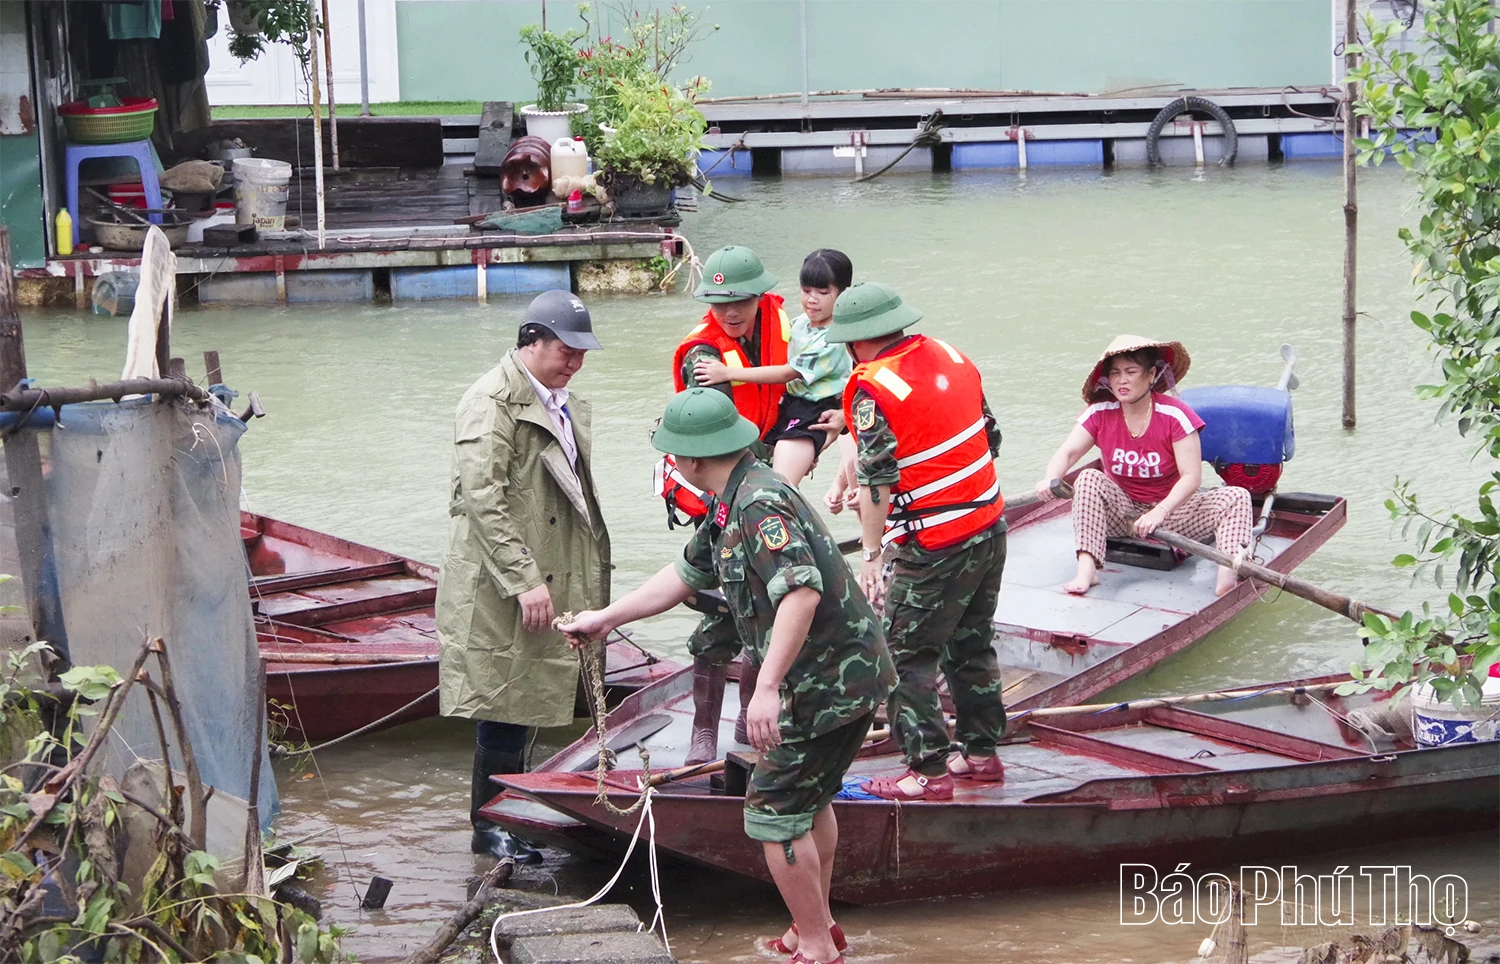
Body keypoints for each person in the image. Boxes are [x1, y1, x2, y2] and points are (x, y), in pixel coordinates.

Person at [559, 389, 895, 964]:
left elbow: (801, 592)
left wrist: (764, 689)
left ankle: (816, 946)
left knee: (772, 812)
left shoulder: (758, 505)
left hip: (828, 683)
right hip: (838, 679)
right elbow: (683, 575)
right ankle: (816, 926)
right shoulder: (733, 496)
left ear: (691, 459)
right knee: (807, 801)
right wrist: (605, 619)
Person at [435, 289, 611, 865]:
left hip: (548, 567)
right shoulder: (491, 402)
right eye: (566, 350)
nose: (576, 361)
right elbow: (483, 501)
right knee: (505, 698)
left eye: (583, 352)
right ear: (530, 342)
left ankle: (511, 813)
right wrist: (523, 578)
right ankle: (488, 827)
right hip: (506, 577)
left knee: (532, 694)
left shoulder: (553, 398)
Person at [825, 282, 1009, 802]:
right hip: (989, 525)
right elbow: (989, 436)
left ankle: (926, 773)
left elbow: (877, 477)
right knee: (971, 643)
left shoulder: (871, 387)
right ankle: (981, 754)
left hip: (934, 543)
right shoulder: (950, 355)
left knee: (903, 656)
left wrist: (872, 551)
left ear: (857, 342)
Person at [665, 245, 793, 765]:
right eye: (720, 305)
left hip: (768, 476)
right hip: (725, 489)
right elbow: (713, 425)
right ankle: (702, 728)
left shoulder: (780, 326)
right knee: (722, 603)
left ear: (759, 297)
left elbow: (807, 376)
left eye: (740, 301)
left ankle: (747, 715)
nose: (731, 313)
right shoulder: (704, 355)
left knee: (768, 603)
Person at [1035, 335, 1252, 597]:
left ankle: (1227, 574)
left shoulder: (1175, 415)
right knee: (1088, 477)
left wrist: (1159, 512)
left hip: (1174, 515)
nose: (1122, 380)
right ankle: (1087, 570)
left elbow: (1192, 476)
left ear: (1151, 375)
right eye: (1115, 373)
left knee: (1237, 496)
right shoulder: (1100, 412)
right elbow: (1068, 452)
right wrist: (1051, 477)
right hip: (1123, 515)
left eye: (1131, 371)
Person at [693, 248, 856, 488]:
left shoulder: (833, 338)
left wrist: (727, 373)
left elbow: (787, 372)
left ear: (843, 294)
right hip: (790, 405)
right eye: (806, 290)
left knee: (779, 488)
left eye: (823, 292)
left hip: (813, 408)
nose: (812, 299)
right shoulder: (800, 323)